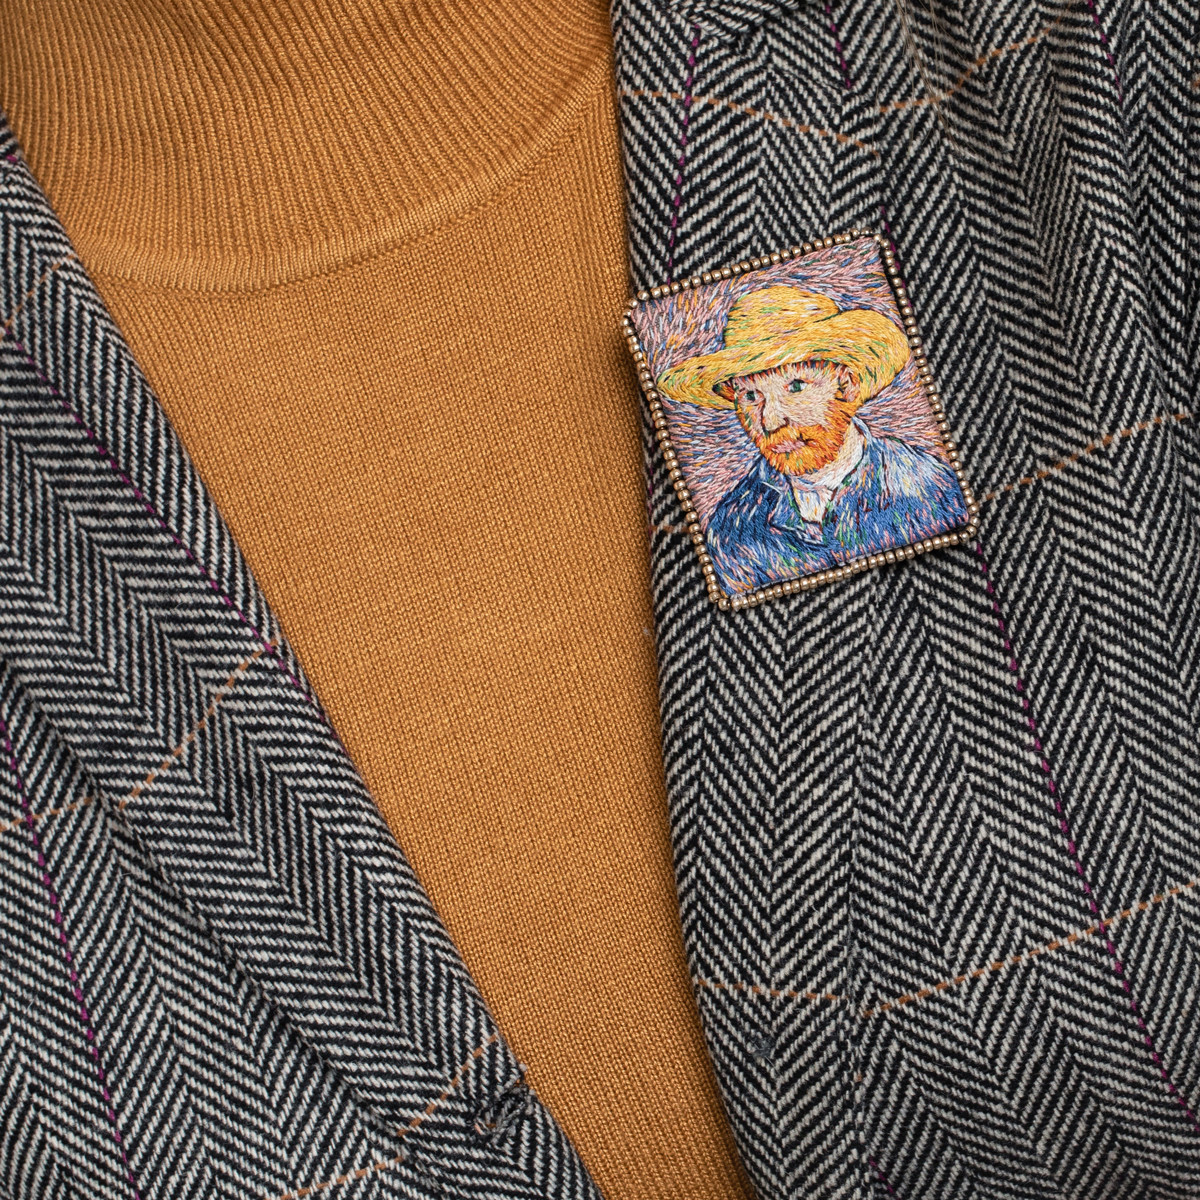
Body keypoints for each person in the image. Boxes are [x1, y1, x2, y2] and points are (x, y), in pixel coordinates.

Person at [656, 285, 969, 592]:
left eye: (796, 387)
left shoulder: (928, 487)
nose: (770, 421)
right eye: (750, 396)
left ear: (846, 386)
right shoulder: (733, 529)